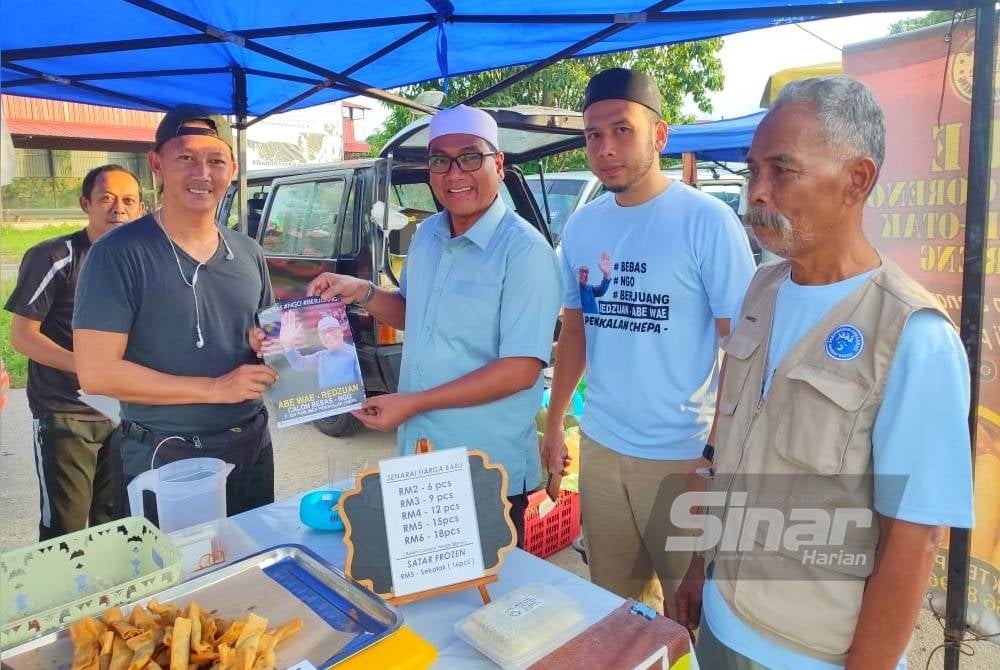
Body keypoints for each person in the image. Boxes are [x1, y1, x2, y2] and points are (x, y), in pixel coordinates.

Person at [673, 75, 974, 669]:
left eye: (781, 170)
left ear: (857, 180)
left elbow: (912, 543)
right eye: (753, 170)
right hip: (721, 622)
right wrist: (693, 565)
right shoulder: (763, 288)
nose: (756, 192)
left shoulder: (912, 336)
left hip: (810, 656)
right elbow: (724, 449)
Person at [540, 68, 756, 615]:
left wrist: (714, 456)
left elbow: (745, 349)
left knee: (691, 618)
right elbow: (576, 329)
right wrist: (554, 422)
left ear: (659, 136)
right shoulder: (584, 227)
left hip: (683, 458)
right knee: (615, 612)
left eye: (622, 130)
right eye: (593, 134)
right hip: (603, 450)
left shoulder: (706, 222)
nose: (605, 148)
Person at [308, 105, 563, 546]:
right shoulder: (426, 235)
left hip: (485, 466)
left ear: (498, 165)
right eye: (440, 160)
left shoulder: (524, 252)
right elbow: (413, 312)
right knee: (430, 598)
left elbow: (521, 368)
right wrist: (362, 291)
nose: (453, 172)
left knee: (486, 602)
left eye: (470, 156)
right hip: (421, 456)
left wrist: (414, 403)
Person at [73, 104, 279, 522]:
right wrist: (215, 387)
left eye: (216, 160)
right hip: (164, 454)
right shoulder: (117, 254)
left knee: (252, 572)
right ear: (157, 164)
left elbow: (267, 339)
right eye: (185, 157)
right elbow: (97, 373)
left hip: (251, 444)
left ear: (233, 169)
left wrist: (268, 344)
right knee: (178, 582)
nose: (202, 173)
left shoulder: (247, 252)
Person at [5, 164, 144, 540]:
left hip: (126, 412)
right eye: (107, 199)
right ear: (86, 203)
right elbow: (22, 336)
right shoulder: (55, 257)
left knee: (114, 522)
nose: (119, 209)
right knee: (64, 529)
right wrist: (89, 369)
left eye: (129, 200)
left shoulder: (141, 263)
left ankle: (108, 599)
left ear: (142, 209)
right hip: (66, 413)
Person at [278, 310, 363, 389]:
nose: (328, 335)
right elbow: (299, 364)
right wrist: (287, 344)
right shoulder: (321, 357)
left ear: (341, 332)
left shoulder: (355, 354)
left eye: (331, 330)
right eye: (323, 332)